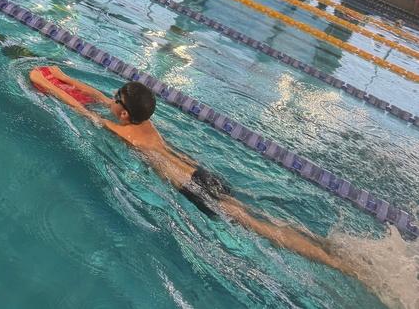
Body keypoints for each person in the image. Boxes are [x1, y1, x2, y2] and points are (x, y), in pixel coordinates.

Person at [29, 66, 358, 278]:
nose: (110, 99)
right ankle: (325, 244)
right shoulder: (145, 125)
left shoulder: (124, 133)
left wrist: (46, 81)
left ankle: (336, 263)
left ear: (124, 114)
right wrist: (66, 76)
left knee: (258, 226)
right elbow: (99, 97)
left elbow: (80, 109)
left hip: (192, 187)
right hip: (203, 174)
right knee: (256, 214)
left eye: (116, 98)